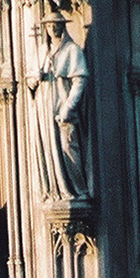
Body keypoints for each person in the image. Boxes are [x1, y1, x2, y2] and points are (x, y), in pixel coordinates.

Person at [33, 11, 89, 200]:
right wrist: (35, 79)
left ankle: (78, 190)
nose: (52, 28)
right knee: (48, 148)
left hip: (62, 104)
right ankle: (54, 190)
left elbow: (79, 81)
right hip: (44, 105)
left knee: (68, 147)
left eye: (56, 24)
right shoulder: (42, 51)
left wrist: (68, 107)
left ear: (62, 26)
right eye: (48, 25)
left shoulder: (72, 50)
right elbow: (31, 79)